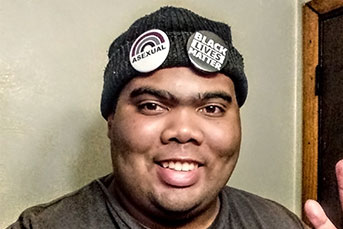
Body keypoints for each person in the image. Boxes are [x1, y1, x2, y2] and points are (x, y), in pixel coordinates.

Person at [7, 6, 342, 229]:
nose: (183, 131)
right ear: (111, 120)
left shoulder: (279, 224)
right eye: (152, 105)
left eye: (211, 108)